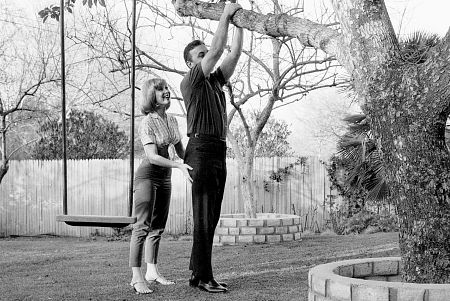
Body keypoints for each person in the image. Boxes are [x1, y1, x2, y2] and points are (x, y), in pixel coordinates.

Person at [180, 1, 244, 294]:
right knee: (204, 217)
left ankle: (197, 273)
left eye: (206, 53)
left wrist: (240, 24)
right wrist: (226, 13)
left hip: (217, 151)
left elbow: (231, 55)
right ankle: (204, 277)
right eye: (201, 55)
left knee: (211, 217)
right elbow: (218, 51)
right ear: (191, 63)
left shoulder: (215, 82)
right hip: (201, 150)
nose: (208, 57)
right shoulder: (191, 81)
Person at [129, 78, 193, 295]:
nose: (166, 91)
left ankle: (152, 272)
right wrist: (178, 165)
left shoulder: (172, 120)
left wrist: (193, 167)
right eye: (160, 89)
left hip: (165, 177)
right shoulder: (147, 122)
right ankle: (136, 277)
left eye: (166, 88)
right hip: (147, 176)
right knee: (142, 226)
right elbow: (152, 156)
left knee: (157, 228)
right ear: (151, 96)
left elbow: (182, 152)